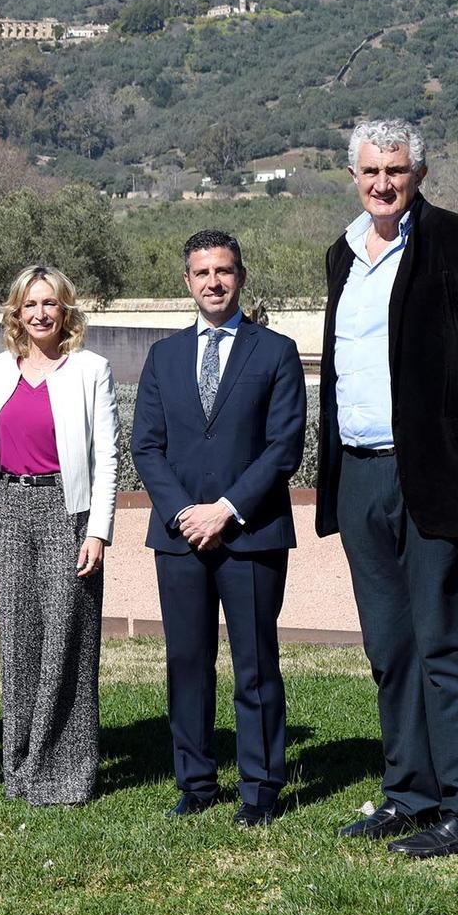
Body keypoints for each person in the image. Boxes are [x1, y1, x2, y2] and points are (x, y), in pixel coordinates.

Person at [316, 120, 458, 858]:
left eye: (398, 170)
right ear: (353, 173)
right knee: (390, 646)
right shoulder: (341, 257)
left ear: (419, 173)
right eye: (372, 170)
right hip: (360, 474)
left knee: (446, 642)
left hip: (437, 479)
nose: (384, 183)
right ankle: (411, 793)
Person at [130, 233, 305, 827]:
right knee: (186, 660)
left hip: (250, 534)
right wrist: (186, 512)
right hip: (178, 536)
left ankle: (259, 786)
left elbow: (283, 449)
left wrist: (225, 508)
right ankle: (196, 780)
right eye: (202, 272)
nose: (213, 282)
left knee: (254, 661)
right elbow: (146, 447)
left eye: (224, 271)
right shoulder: (163, 356)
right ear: (187, 281)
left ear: (241, 276)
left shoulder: (277, 352)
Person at [0, 265, 118, 807]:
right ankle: (20, 768)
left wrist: (99, 531)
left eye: (50, 304)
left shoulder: (90, 368)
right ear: (17, 313)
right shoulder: (0, 368)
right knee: (18, 639)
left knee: (69, 640)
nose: (40, 313)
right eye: (29, 304)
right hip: (12, 506)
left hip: (69, 508)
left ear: (67, 311)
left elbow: (107, 456)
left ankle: (66, 772)